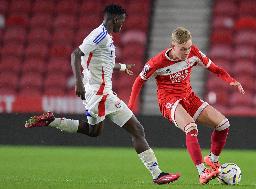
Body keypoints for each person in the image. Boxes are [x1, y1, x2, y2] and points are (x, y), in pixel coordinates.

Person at [25, 4, 180, 185]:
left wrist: (121, 67)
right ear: (115, 19)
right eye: (121, 21)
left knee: (93, 131)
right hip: (100, 94)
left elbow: (100, 62)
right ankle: (157, 174)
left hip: (97, 93)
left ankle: (52, 121)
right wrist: (79, 83)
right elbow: (76, 54)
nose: (122, 25)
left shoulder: (104, 37)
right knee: (137, 130)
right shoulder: (99, 35)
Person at [128, 27, 245, 184]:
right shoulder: (156, 62)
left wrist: (231, 80)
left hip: (189, 97)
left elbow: (215, 69)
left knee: (223, 124)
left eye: (189, 47)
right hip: (168, 100)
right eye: (183, 49)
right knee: (191, 127)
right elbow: (139, 81)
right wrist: (131, 104)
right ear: (173, 46)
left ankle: (212, 159)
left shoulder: (194, 53)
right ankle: (202, 172)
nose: (187, 52)